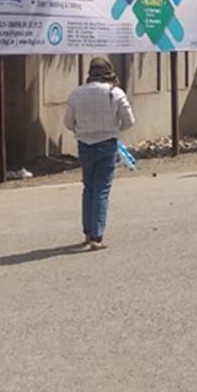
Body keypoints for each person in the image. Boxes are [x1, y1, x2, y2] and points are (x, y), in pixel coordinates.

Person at [64, 58, 136, 250]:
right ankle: (97, 236)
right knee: (102, 189)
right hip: (108, 144)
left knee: (88, 187)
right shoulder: (115, 93)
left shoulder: (76, 93)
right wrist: (114, 128)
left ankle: (88, 232)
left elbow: (68, 123)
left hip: (84, 145)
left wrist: (83, 129)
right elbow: (129, 121)